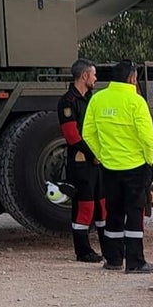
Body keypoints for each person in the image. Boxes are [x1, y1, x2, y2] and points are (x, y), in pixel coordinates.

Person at [81, 61, 153, 274]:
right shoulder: (136, 101)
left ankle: (113, 259)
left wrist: (101, 155)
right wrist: (149, 160)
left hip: (109, 167)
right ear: (132, 78)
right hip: (135, 166)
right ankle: (135, 262)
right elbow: (147, 137)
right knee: (134, 212)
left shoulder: (97, 99)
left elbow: (87, 133)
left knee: (113, 212)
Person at [57, 58, 104, 262]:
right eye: (93, 74)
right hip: (81, 162)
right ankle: (83, 251)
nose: (96, 78)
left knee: (102, 204)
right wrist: (92, 154)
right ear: (84, 76)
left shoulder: (92, 99)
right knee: (85, 207)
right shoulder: (67, 102)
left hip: (97, 161)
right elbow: (72, 136)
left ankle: (109, 247)